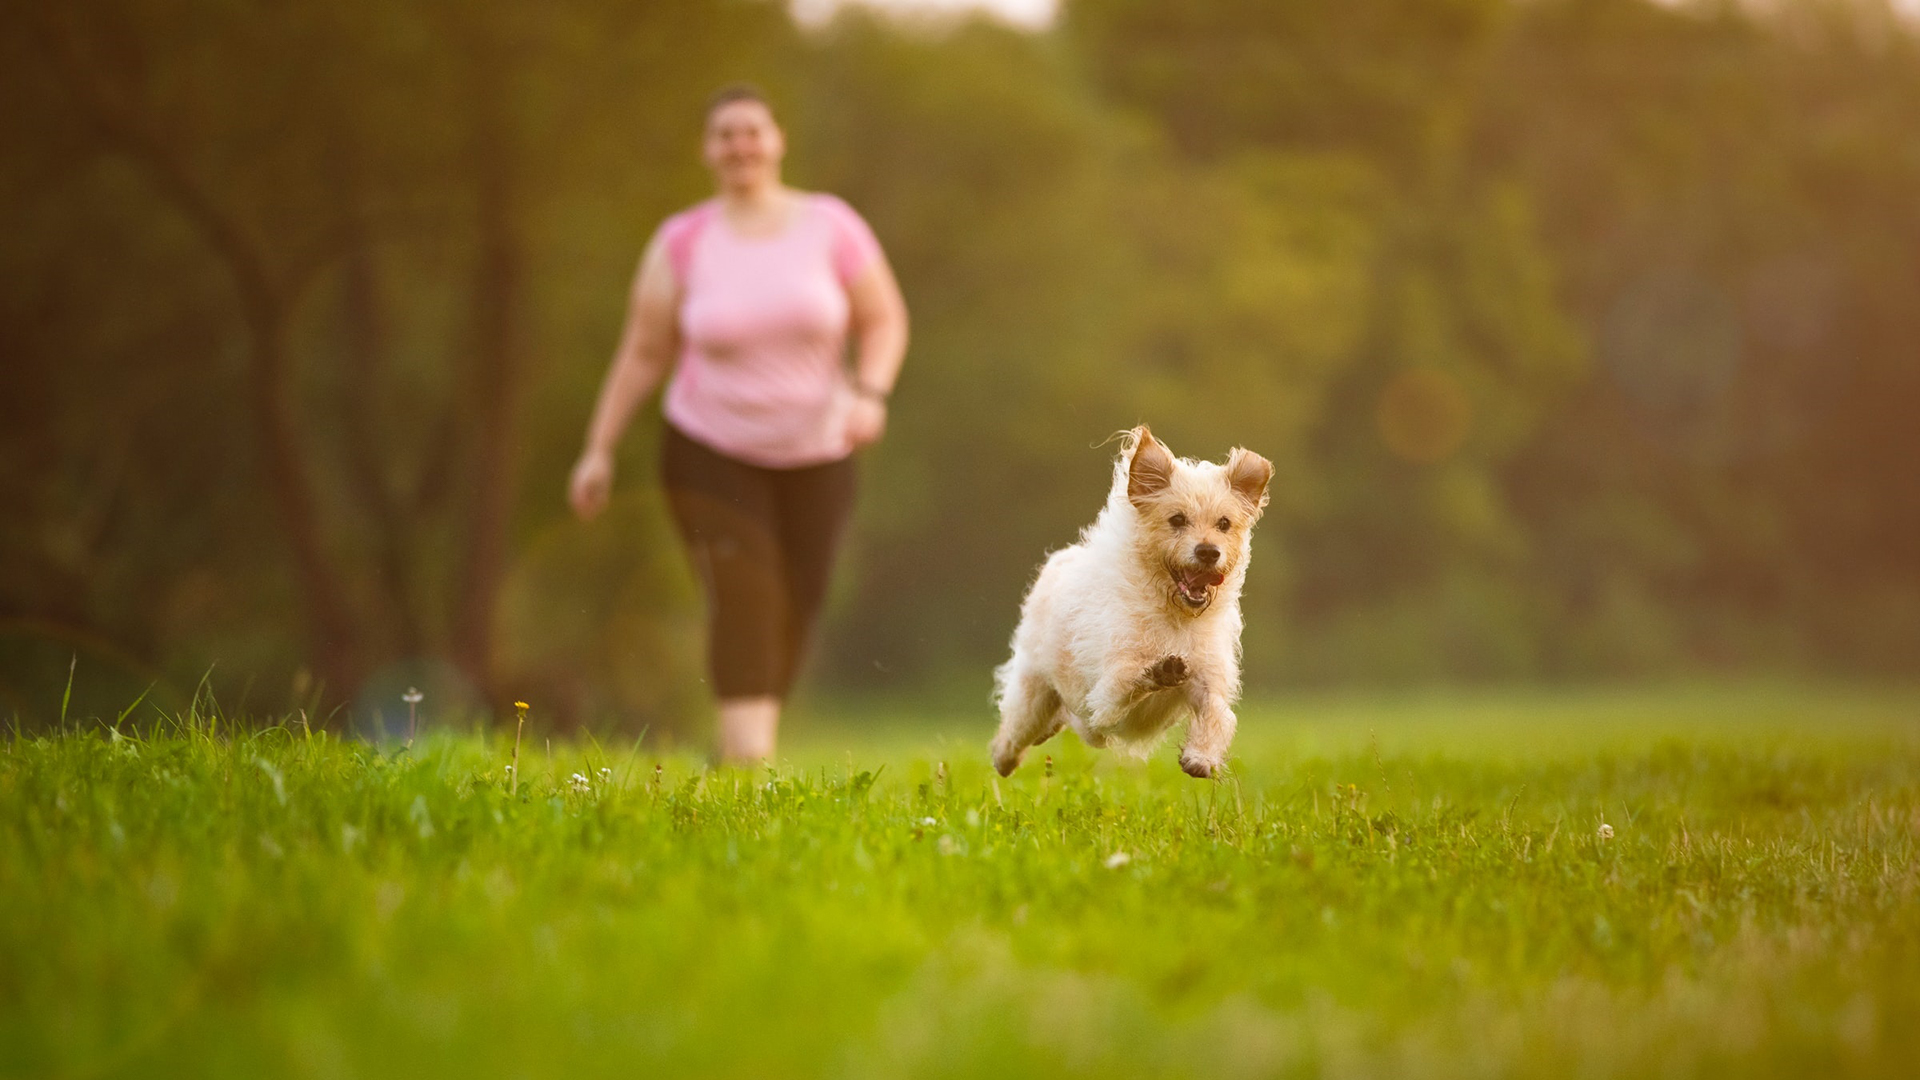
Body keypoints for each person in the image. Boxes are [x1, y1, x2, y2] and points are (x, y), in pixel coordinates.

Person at [568, 84, 909, 765]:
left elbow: (883, 319)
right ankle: (750, 764)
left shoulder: (830, 226)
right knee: (745, 595)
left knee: (800, 599)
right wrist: (597, 449)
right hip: (709, 446)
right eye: (725, 134)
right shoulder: (683, 242)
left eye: (752, 131)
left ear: (777, 140)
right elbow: (643, 351)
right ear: (707, 150)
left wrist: (870, 393)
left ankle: (734, 751)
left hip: (820, 447)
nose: (740, 145)